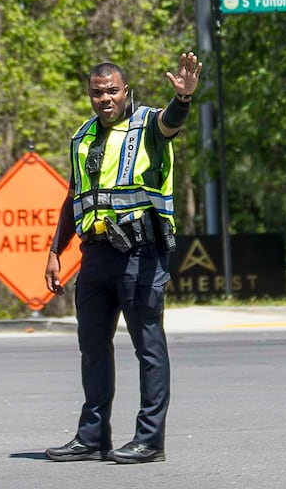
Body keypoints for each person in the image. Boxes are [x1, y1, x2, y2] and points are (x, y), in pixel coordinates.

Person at [43, 52, 202, 465]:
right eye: (98, 92)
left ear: (125, 91)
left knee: (148, 348)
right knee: (92, 347)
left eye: (112, 90)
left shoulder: (148, 124)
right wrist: (55, 251)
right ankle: (92, 437)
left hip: (140, 254)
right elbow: (73, 196)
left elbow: (172, 123)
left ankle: (150, 440)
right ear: (90, 96)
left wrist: (182, 99)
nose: (105, 98)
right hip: (94, 256)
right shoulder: (82, 137)